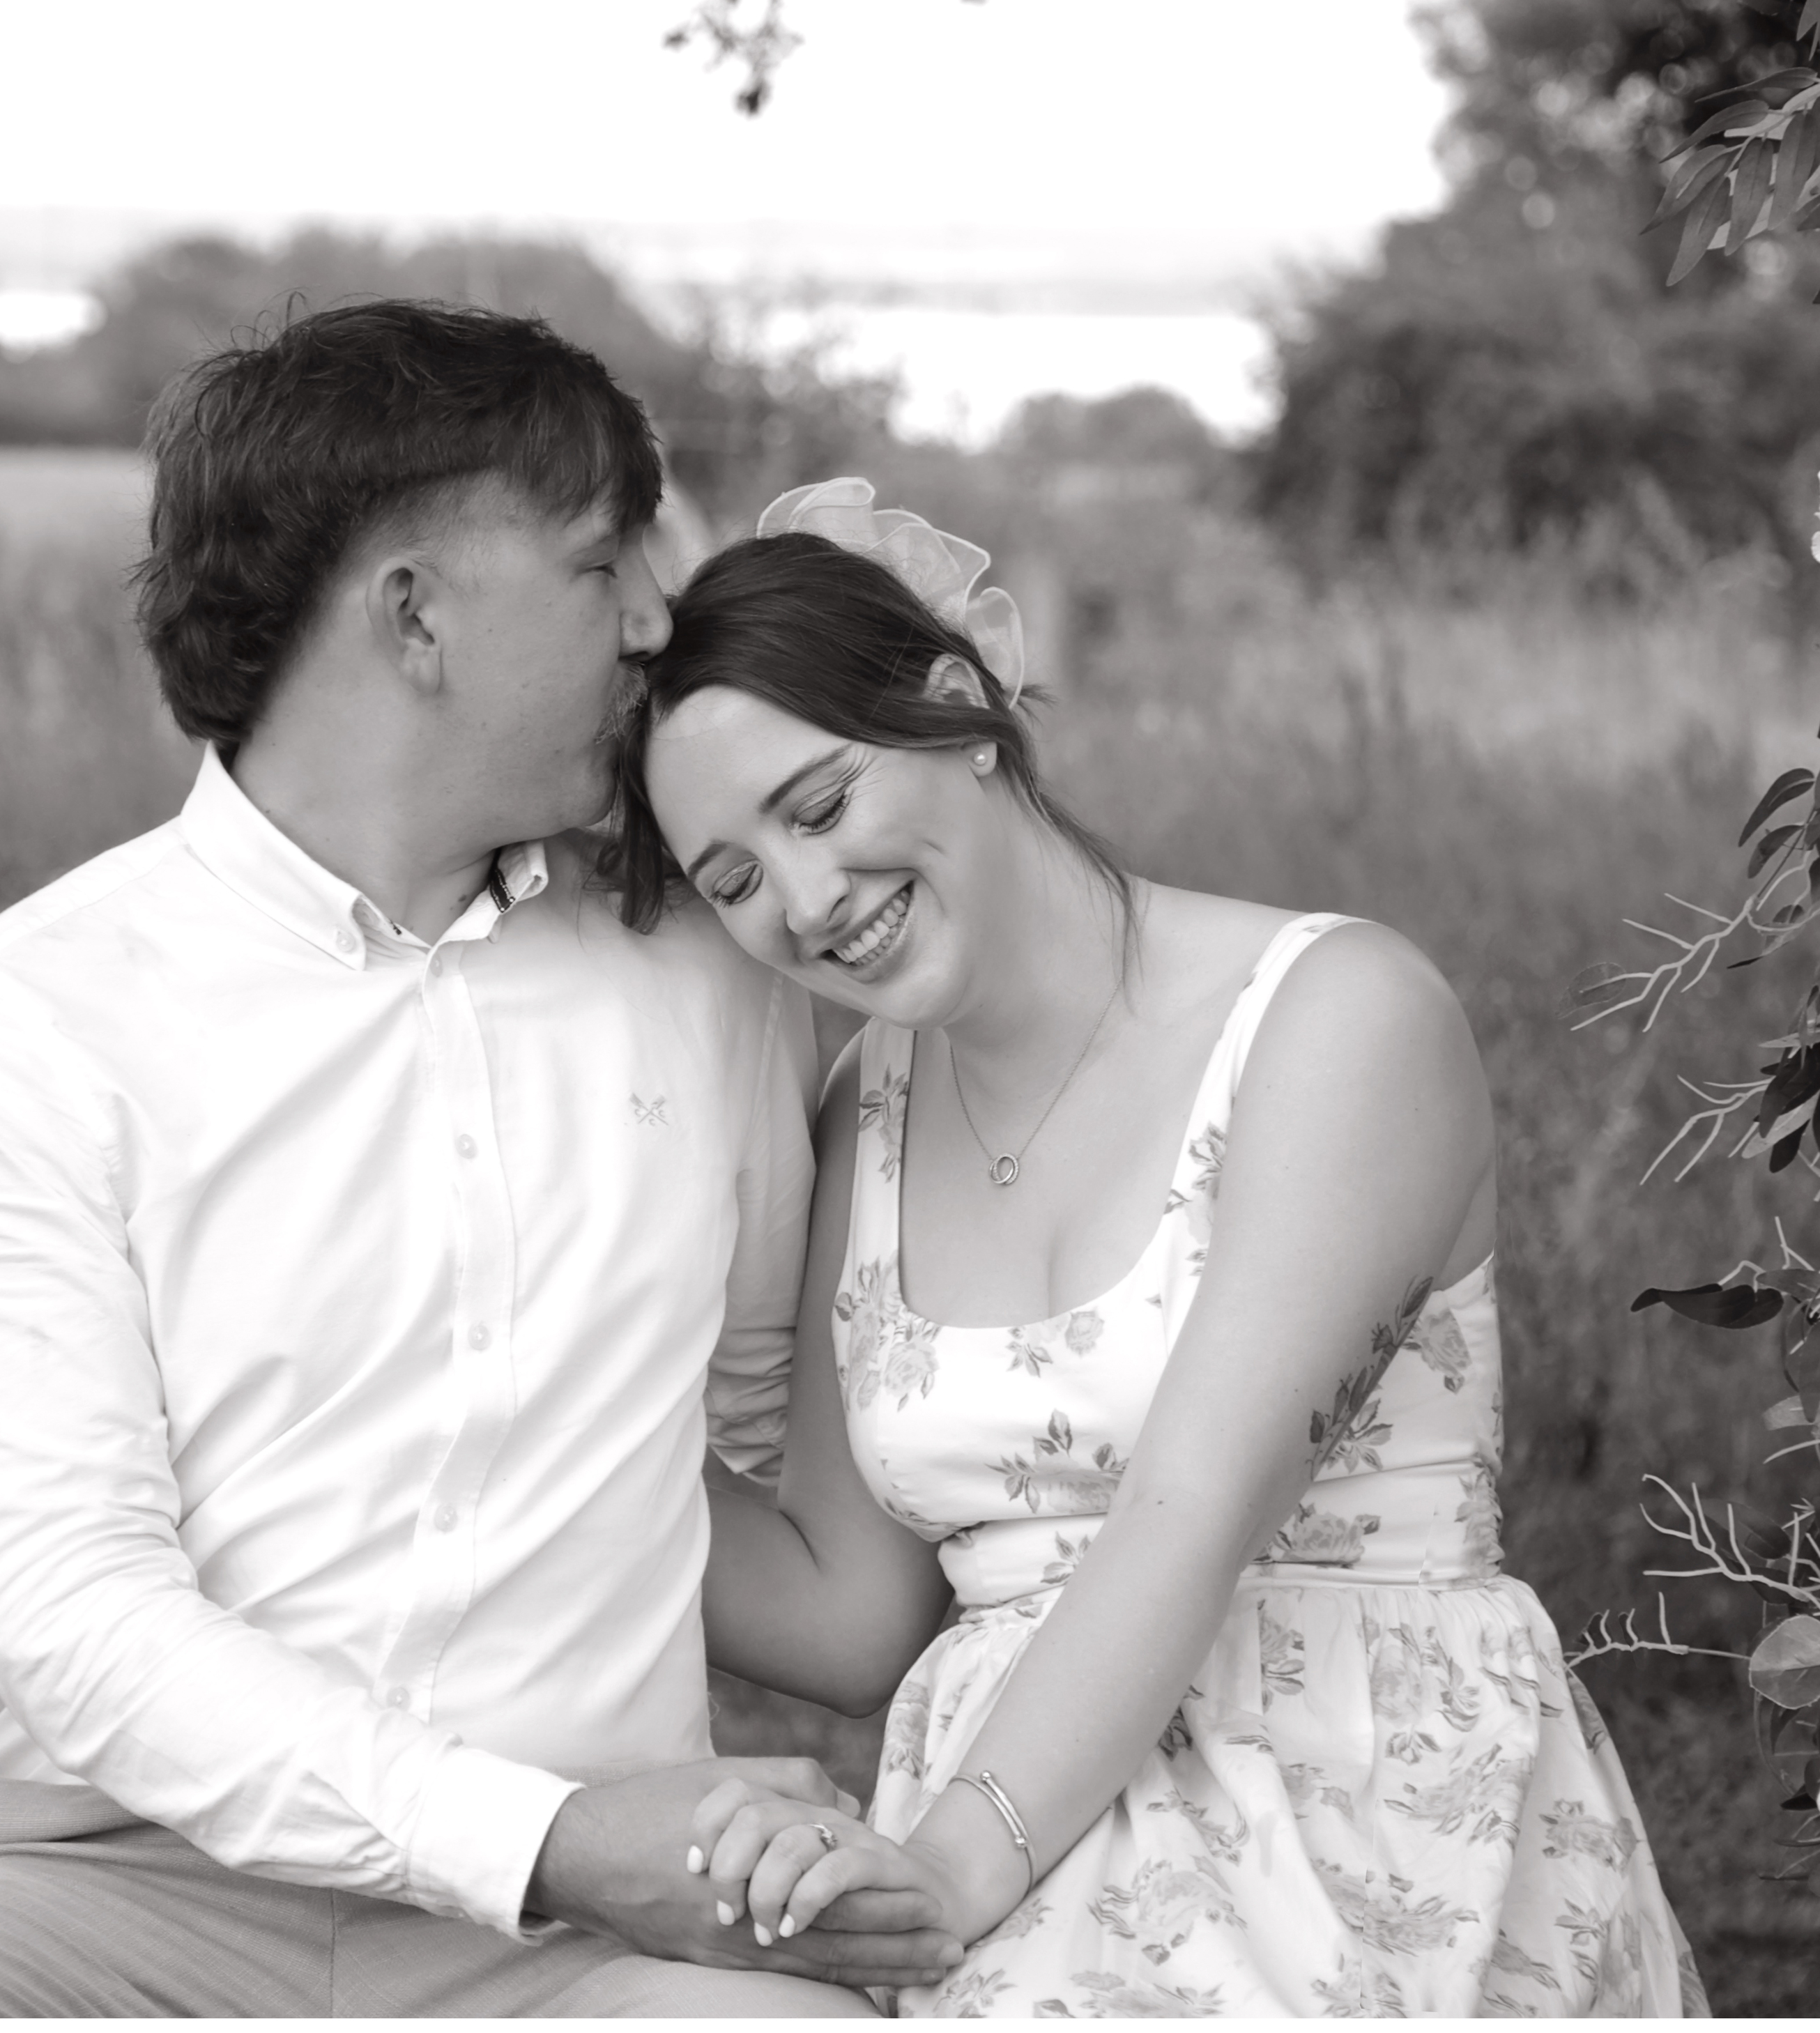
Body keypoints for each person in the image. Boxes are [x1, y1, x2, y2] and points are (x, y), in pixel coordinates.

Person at [0, 311, 961, 2015]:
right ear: (415, 615)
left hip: (589, 1948)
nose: (661, 617)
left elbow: (758, 1438)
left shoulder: (709, 974)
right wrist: (545, 1832)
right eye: (602, 563)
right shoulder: (23, 1025)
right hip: (121, 1894)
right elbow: (78, 1622)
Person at [620, 483, 1706, 2016]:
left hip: (1350, 1809)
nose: (802, 901)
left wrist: (949, 1873)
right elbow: (843, 1613)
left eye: (817, 806)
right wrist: (532, 1420)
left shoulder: (1335, 1019)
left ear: (959, 711)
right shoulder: (866, 1106)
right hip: (1014, 1849)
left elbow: (1188, 1510)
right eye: (730, 879)